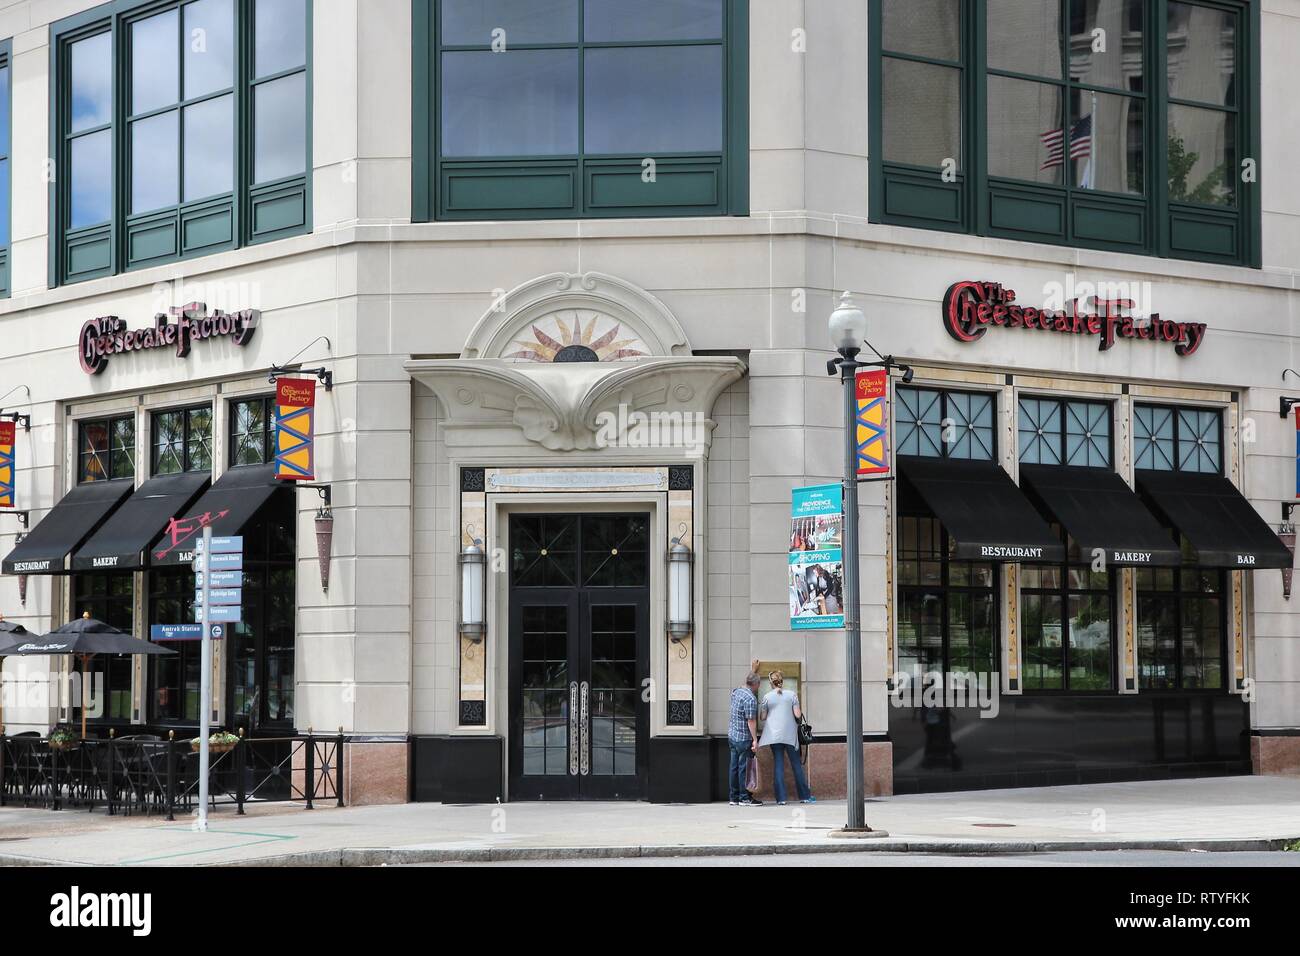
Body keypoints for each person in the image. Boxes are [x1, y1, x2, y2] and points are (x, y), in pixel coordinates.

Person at [758, 670, 814, 805]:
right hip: (790, 735)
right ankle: (805, 796)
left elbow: (763, 717)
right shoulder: (792, 695)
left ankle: (781, 799)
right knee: (796, 764)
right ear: (782, 681)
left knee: (778, 764)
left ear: (771, 682)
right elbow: (797, 714)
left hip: (774, 736)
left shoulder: (767, 697)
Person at [727, 669, 763, 806]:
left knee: (734, 767)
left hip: (732, 736)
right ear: (757, 684)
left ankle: (733, 797)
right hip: (743, 738)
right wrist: (755, 739)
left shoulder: (736, 692)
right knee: (744, 768)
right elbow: (751, 721)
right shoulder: (750, 699)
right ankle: (744, 797)